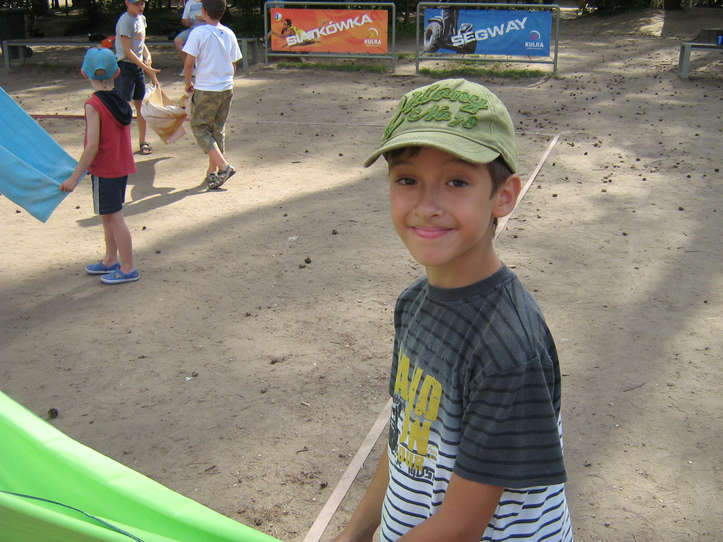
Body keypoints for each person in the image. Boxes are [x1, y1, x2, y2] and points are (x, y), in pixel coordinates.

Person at [331, 79, 573, 541]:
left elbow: (461, 528)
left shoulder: (507, 349)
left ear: (504, 196)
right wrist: (354, 533)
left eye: (457, 182)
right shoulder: (413, 305)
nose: (426, 206)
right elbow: (405, 440)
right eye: (407, 180)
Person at [59, 47, 140, 285]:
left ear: (85, 73)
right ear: (117, 73)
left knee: (115, 217)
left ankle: (128, 267)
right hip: (119, 166)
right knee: (108, 215)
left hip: (106, 169)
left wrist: (74, 177)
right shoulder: (122, 100)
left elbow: (92, 145)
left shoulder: (93, 104)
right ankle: (110, 259)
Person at [182, 0, 241, 189]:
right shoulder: (229, 33)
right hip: (226, 88)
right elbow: (233, 63)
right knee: (217, 128)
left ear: (204, 11)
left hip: (207, 88)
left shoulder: (199, 33)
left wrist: (188, 83)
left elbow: (189, 63)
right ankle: (212, 172)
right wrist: (226, 80)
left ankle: (223, 166)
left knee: (200, 128)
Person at [114, 0, 160, 155]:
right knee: (124, 107)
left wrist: (147, 54)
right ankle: (123, 144)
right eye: (137, 4)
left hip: (138, 66)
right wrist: (147, 69)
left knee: (140, 105)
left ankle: (143, 141)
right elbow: (127, 51)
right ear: (127, 3)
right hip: (125, 67)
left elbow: (140, 41)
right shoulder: (125, 21)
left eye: (143, 3)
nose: (141, 7)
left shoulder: (141, 19)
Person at [173, 0, 205, 70]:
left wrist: (203, 18)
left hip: (207, 29)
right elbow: (184, 20)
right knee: (177, 41)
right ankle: (189, 67)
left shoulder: (210, 2)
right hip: (193, 29)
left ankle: (202, 67)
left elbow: (215, 19)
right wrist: (188, 21)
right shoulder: (190, 2)